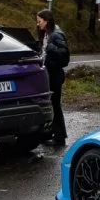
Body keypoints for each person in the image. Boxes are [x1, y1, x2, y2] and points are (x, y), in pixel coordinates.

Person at [36, 9, 69, 146]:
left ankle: (59, 136)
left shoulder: (56, 35)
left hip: (55, 74)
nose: (37, 24)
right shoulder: (47, 34)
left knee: (54, 105)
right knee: (50, 104)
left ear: (46, 20)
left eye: (39, 21)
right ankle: (51, 134)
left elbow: (64, 54)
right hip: (48, 73)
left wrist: (50, 48)